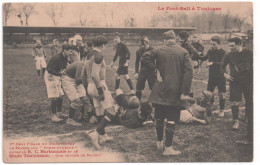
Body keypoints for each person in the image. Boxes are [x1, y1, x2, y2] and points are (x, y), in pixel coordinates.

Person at [148, 30, 193, 156]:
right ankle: (168, 148)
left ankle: (159, 142)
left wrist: (156, 71)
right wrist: (184, 91)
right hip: (175, 91)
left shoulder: (158, 50)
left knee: (159, 117)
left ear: (164, 40)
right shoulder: (183, 51)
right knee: (172, 119)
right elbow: (189, 73)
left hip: (160, 90)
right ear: (175, 39)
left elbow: (144, 58)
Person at [84, 35, 117, 149]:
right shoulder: (99, 56)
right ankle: (96, 133)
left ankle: (103, 136)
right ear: (103, 45)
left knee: (100, 113)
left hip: (90, 86)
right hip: (99, 85)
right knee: (111, 112)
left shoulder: (88, 55)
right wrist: (101, 90)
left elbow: (86, 73)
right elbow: (94, 75)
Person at [221, 37, 253, 144]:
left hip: (248, 82)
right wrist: (225, 74)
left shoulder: (249, 53)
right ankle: (236, 121)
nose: (230, 48)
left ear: (239, 44)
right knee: (235, 102)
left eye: (232, 46)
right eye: (229, 46)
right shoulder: (229, 55)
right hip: (234, 82)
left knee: (250, 102)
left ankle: (248, 117)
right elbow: (222, 66)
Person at [44, 44, 76, 122]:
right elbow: (50, 70)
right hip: (50, 76)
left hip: (57, 75)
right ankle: (54, 116)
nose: (71, 53)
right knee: (55, 96)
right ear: (64, 50)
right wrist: (60, 74)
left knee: (61, 95)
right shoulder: (56, 58)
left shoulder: (65, 58)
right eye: (70, 51)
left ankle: (59, 113)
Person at [199, 36, 226, 117]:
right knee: (209, 93)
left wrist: (212, 63)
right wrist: (197, 54)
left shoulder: (223, 52)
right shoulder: (210, 51)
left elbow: (223, 63)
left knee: (221, 93)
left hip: (221, 76)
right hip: (212, 76)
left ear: (218, 43)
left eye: (213, 44)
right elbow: (204, 58)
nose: (212, 46)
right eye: (211, 44)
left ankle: (221, 110)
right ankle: (209, 107)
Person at [61, 61, 94, 126]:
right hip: (68, 79)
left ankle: (88, 117)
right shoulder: (82, 65)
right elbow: (77, 80)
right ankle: (70, 120)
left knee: (85, 99)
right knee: (76, 101)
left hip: (76, 79)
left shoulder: (89, 66)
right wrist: (86, 85)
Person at [135, 36, 155, 101]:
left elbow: (158, 60)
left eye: (146, 41)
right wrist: (136, 72)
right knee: (138, 87)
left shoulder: (153, 49)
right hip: (142, 71)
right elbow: (136, 62)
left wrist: (156, 69)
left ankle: (154, 102)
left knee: (153, 87)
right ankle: (138, 102)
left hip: (151, 71)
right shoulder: (139, 51)